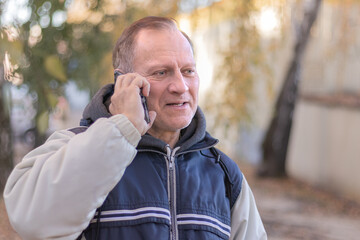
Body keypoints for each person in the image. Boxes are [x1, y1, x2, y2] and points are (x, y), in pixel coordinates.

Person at [4, 16, 267, 240]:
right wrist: (122, 131)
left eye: (188, 71)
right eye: (161, 73)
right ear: (124, 82)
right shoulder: (74, 146)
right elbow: (31, 221)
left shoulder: (224, 173)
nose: (181, 86)